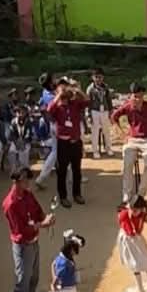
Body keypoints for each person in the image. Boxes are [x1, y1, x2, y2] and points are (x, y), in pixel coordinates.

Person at [1, 167, 55, 292]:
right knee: (22, 281)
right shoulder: (10, 204)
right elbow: (21, 230)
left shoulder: (28, 194)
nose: (27, 183)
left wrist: (46, 218)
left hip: (33, 242)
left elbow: (38, 211)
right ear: (16, 181)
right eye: (24, 180)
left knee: (33, 278)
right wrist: (42, 224)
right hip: (23, 245)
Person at [112, 83, 147, 200]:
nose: (137, 99)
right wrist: (122, 135)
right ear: (131, 95)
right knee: (127, 164)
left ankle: (141, 194)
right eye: (135, 96)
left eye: (140, 96)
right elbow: (114, 117)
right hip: (132, 139)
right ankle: (127, 193)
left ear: (143, 95)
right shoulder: (127, 106)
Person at [47, 79, 87, 208]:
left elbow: (87, 101)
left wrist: (77, 90)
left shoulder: (75, 103)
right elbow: (49, 110)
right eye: (61, 88)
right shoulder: (57, 107)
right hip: (63, 143)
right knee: (62, 171)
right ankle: (63, 196)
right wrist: (59, 95)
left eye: (66, 88)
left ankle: (77, 194)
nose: (65, 91)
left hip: (76, 142)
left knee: (77, 170)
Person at [86, 68, 115, 159]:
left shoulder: (105, 87)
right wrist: (89, 114)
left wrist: (111, 110)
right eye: (96, 77)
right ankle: (95, 150)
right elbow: (88, 102)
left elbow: (109, 100)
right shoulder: (90, 89)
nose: (99, 79)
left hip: (104, 110)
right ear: (93, 78)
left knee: (106, 130)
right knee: (95, 131)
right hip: (95, 110)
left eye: (100, 77)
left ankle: (108, 148)